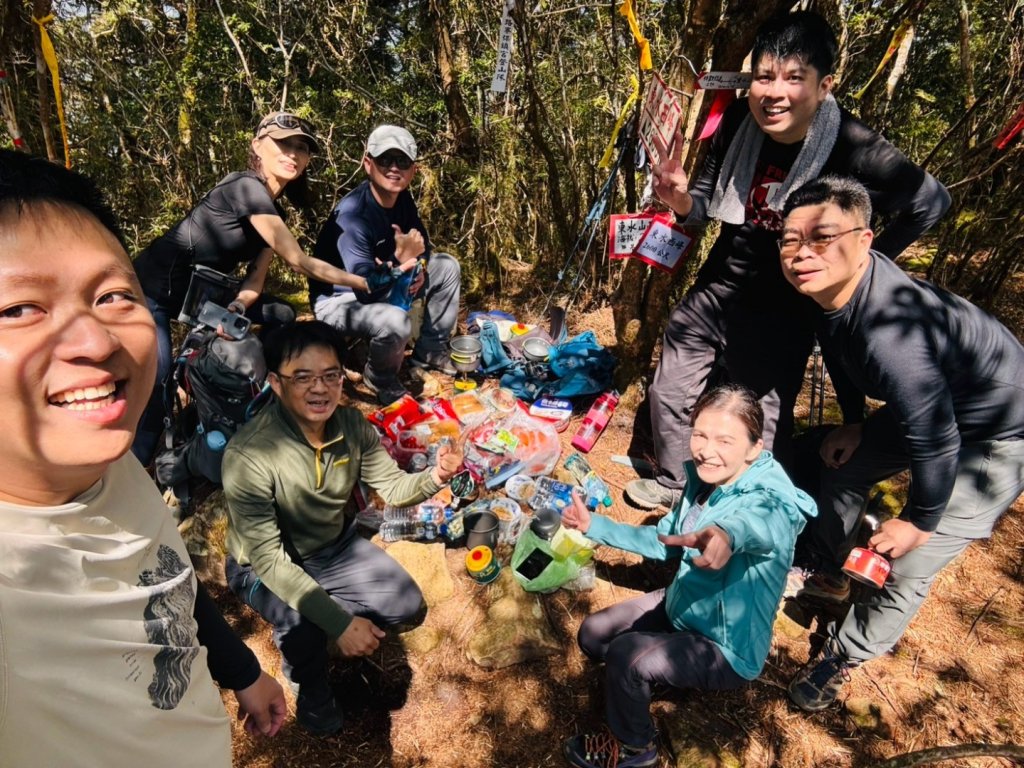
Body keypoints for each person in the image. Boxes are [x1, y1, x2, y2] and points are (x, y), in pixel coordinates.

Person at [0, 149, 287, 766]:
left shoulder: (105, 461)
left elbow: (164, 579)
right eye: (19, 309)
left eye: (111, 295)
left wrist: (241, 670)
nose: (95, 341)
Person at [624, 11, 951, 513]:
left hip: (787, 306)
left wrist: (859, 262)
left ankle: (759, 513)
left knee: (763, 418)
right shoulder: (738, 120)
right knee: (669, 387)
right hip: (720, 284)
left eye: (794, 78)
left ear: (824, 86)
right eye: (764, 76)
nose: (774, 92)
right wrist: (682, 201)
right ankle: (674, 482)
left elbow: (930, 203)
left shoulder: (853, 146)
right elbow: (706, 204)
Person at [777, 176, 1024, 711]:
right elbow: (845, 361)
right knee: (837, 466)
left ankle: (845, 656)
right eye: (790, 240)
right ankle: (830, 569)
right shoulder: (829, 290)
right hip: (939, 404)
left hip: (998, 432)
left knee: (911, 562)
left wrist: (919, 519)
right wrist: (855, 424)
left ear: (865, 239)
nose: (801, 254)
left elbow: (935, 439)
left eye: (821, 237)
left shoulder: (893, 334)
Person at [220, 320, 464, 734]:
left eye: (330, 375)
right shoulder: (249, 454)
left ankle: (320, 609)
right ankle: (308, 683)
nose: (320, 388)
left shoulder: (352, 427)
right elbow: (268, 558)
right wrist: (339, 624)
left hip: (332, 548)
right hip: (260, 566)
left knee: (405, 604)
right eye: (303, 377)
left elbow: (392, 486)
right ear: (276, 384)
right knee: (302, 625)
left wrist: (436, 477)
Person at [560, 384, 817, 768]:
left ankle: (636, 748)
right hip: (682, 604)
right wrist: (594, 525)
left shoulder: (771, 499)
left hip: (724, 647)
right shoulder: (704, 480)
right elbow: (666, 541)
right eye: (700, 434)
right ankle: (648, 678)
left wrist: (729, 534)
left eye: (725, 441)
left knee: (627, 657)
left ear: (753, 448)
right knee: (594, 635)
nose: (706, 450)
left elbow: (763, 523)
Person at [131, 111, 370, 464]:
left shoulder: (273, 213)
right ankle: (138, 462)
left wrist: (238, 307)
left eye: (302, 148)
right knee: (158, 380)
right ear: (258, 145)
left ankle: (263, 393)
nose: (293, 154)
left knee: (282, 313)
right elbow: (298, 261)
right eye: (283, 144)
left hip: (202, 298)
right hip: (151, 292)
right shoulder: (244, 187)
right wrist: (363, 282)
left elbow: (254, 281)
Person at [310, 124, 462, 405]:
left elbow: (423, 246)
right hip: (339, 299)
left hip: (387, 280)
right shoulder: (353, 215)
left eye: (402, 161)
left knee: (448, 266)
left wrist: (421, 268)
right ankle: (379, 376)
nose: (394, 168)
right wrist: (401, 262)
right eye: (385, 160)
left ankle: (430, 351)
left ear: (413, 170)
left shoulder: (402, 198)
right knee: (395, 321)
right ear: (368, 164)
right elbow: (366, 289)